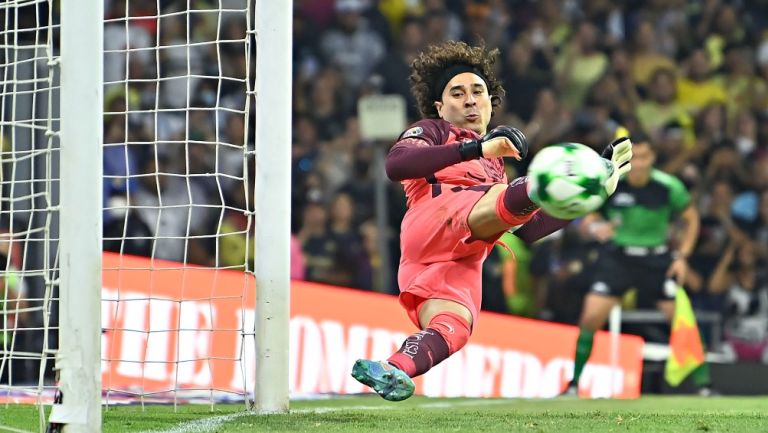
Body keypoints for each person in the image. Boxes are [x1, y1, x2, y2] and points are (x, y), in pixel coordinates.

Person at [350, 41, 632, 401]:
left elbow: (529, 229)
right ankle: (557, 177)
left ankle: (393, 368)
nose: (469, 100)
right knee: (503, 198)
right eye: (457, 93)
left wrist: (589, 198)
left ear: (489, 102)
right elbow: (396, 165)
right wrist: (476, 149)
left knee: (454, 328)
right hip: (436, 221)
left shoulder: (495, 165)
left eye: (477, 92)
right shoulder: (434, 131)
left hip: (461, 256)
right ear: (440, 106)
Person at [564, 137, 713, 396]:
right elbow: (589, 213)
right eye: (635, 158)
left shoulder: (668, 187)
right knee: (589, 318)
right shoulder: (613, 183)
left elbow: (692, 219)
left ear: (653, 157)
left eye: (644, 157)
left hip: (656, 260)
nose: (639, 164)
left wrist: (682, 257)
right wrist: (596, 226)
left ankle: (705, 387)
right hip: (618, 259)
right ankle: (574, 385)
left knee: (682, 321)